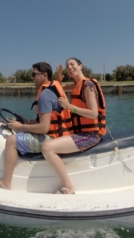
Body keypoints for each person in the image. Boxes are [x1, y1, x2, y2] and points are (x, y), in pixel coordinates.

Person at [0, 62, 73, 189]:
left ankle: (5, 183)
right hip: (63, 135)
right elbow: (48, 121)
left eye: (34, 74)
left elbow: (44, 128)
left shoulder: (44, 95)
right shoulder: (54, 88)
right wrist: (25, 121)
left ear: (45, 75)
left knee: (11, 141)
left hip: (54, 139)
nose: (32, 78)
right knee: (22, 131)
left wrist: (20, 127)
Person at [41, 57, 106, 194]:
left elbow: (94, 114)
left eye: (73, 64)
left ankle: (69, 187)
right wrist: (58, 77)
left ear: (80, 66)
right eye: (67, 66)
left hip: (91, 135)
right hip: (80, 132)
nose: (70, 67)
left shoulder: (88, 86)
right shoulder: (77, 85)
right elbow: (59, 86)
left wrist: (70, 107)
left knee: (47, 147)